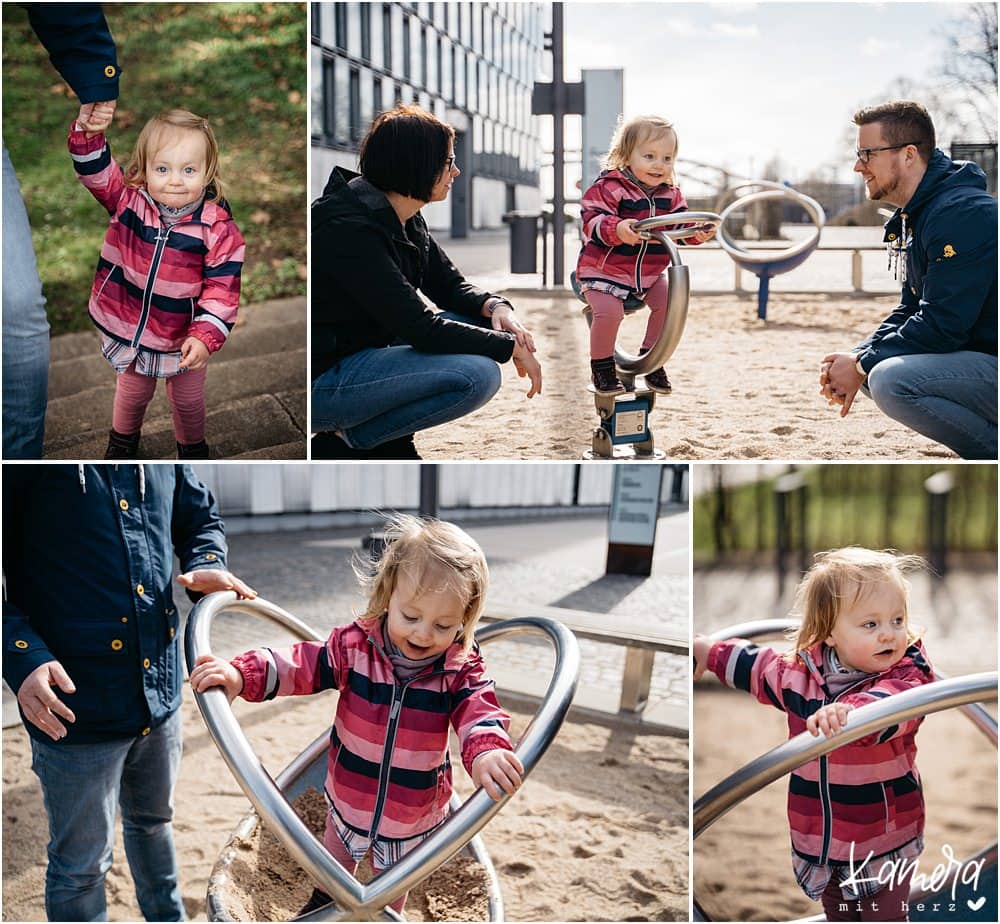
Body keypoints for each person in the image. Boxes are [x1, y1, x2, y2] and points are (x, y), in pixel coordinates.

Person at [189, 514, 523, 916]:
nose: (422, 634)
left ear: (465, 621)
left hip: (410, 815)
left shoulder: (460, 668)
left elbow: (479, 712)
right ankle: (323, 899)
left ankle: (387, 911)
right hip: (348, 798)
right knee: (331, 866)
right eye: (411, 617)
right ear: (388, 598)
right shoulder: (354, 647)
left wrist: (487, 749)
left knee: (387, 892)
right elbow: (300, 664)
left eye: (444, 624)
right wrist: (243, 674)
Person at [2, 464, 257, 922]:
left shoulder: (165, 461)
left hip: (159, 696)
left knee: (155, 825)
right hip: (74, 708)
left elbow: (199, 518)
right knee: (81, 868)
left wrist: (206, 562)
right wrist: (20, 654)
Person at [694, 548, 935, 922]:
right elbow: (759, 668)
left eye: (897, 619)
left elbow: (892, 709)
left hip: (884, 839)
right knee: (839, 915)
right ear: (830, 633)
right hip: (822, 840)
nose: (889, 633)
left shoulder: (906, 673)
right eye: (870, 625)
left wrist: (851, 711)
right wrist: (710, 653)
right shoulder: (801, 676)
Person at [310, 104, 542, 460]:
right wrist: (509, 347)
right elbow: (420, 328)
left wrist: (498, 309)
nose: (457, 171)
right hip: (323, 380)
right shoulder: (347, 229)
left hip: (368, 355)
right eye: (449, 161)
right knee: (477, 375)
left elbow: (451, 287)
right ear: (416, 164)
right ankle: (347, 441)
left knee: (479, 321)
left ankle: (383, 438)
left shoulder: (406, 217)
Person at [819, 100, 997, 460]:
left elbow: (943, 325)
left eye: (867, 153)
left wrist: (860, 366)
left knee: (889, 379)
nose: (858, 166)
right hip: (981, 360)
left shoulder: (962, 214)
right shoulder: (919, 214)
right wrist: (857, 357)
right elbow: (911, 307)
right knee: (874, 368)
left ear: (909, 154)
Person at [69, 107, 246, 460]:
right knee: (133, 390)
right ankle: (122, 442)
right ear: (145, 168)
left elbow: (222, 289)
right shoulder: (128, 201)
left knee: (187, 399)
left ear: (208, 172)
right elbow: (95, 173)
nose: (175, 180)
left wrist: (205, 334)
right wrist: (88, 135)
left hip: (183, 335)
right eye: (162, 169)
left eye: (189, 170)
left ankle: (192, 448)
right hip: (132, 324)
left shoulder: (216, 228)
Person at [3, 4, 120, 459]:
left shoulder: (213, 222)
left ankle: (15, 477)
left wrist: (93, 68)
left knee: (16, 307)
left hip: (170, 352)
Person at [575, 115, 716, 396]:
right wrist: (618, 228)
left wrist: (698, 233)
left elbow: (680, 227)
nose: (659, 165)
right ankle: (602, 367)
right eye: (649, 156)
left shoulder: (671, 195)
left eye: (667, 158)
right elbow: (592, 220)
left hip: (648, 275)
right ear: (627, 155)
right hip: (604, 270)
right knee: (609, 313)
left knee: (670, 304)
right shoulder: (609, 187)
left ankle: (652, 360)